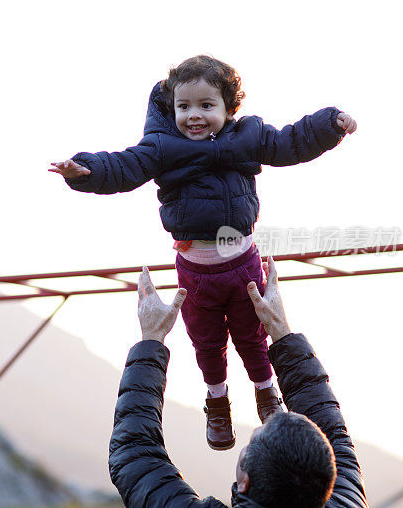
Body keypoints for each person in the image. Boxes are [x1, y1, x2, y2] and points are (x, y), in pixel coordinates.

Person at [50, 55, 358, 449]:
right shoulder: (161, 147)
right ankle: (217, 402)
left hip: (243, 263)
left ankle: (267, 392)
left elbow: (290, 141)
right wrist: (85, 170)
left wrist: (330, 124)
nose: (194, 115)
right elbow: (123, 166)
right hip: (196, 271)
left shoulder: (249, 136)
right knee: (207, 341)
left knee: (253, 335)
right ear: (170, 108)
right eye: (184, 107)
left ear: (230, 109)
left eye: (206, 106)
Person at [108, 258, 367, 507]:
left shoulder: (350, 496)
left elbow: (134, 454)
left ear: (244, 481)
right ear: (328, 481)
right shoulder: (349, 500)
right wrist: (282, 331)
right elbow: (133, 457)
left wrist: (152, 334)